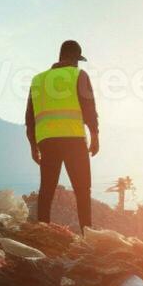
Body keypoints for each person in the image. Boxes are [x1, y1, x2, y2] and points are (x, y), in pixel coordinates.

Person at [25, 40, 98, 231]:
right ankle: (86, 234)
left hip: (47, 142)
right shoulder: (79, 75)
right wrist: (95, 135)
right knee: (82, 190)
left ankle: (42, 231)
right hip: (73, 140)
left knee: (46, 191)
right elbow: (89, 108)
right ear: (75, 58)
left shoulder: (38, 80)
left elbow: (30, 118)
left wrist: (33, 146)